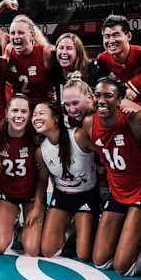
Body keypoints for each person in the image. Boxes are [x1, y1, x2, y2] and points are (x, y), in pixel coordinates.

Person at [84, 78, 141, 276]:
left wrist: (137, 107)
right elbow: (99, 152)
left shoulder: (132, 120)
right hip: (117, 194)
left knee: (123, 267)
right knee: (100, 261)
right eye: (98, 95)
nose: (101, 100)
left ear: (119, 101)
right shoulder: (88, 124)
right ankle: (136, 235)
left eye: (108, 96)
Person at [35, 101, 99, 261]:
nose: (36, 117)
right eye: (34, 115)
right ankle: (70, 228)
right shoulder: (41, 150)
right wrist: (37, 206)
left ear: (55, 118)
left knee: (84, 254)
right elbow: (43, 180)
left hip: (86, 195)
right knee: (48, 250)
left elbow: (103, 154)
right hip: (62, 195)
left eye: (41, 113)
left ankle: (86, 225)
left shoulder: (78, 136)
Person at [0, 94, 47, 255]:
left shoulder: (37, 137)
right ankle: (12, 223)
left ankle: (23, 229)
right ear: (6, 113)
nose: (18, 116)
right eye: (14, 111)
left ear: (29, 115)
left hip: (31, 195)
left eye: (23, 112)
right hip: (7, 194)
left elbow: (43, 177)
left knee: (32, 249)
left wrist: (39, 206)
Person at [0, 0, 54, 105]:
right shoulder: (7, 44)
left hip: (42, 107)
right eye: (12, 33)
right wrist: (4, 3)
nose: (15, 37)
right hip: (18, 108)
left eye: (20, 33)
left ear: (32, 35)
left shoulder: (45, 52)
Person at [95, 15, 141, 83]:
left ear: (128, 36)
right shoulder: (102, 59)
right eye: (107, 36)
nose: (111, 41)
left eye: (116, 35)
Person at [52, 33, 103, 103]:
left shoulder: (92, 70)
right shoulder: (54, 71)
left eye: (69, 48)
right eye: (61, 48)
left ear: (78, 52)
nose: (64, 52)